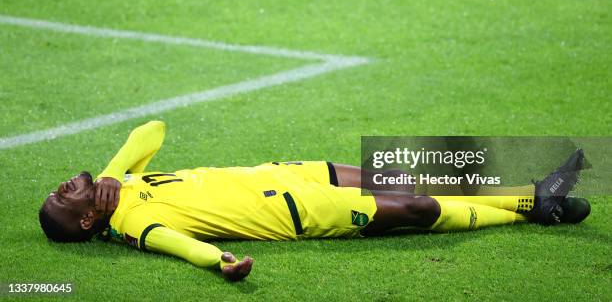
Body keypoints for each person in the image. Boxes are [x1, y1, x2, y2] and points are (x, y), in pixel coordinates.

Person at [39, 121, 589, 282]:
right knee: (417, 206)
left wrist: (111, 173)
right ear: (88, 220)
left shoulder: (120, 184)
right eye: (64, 199)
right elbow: (182, 246)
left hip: (290, 172)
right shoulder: (134, 221)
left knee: (398, 173)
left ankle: (539, 201)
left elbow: (152, 129)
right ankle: (531, 202)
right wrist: (222, 264)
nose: (64, 185)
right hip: (300, 214)